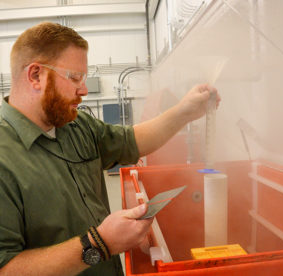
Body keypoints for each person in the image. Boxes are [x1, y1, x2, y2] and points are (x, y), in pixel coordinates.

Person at [0, 22, 220, 276]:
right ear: (35, 75)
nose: (83, 89)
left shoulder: (75, 125)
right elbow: (6, 268)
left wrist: (185, 111)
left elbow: (132, 141)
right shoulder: (5, 156)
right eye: (74, 77)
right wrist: (99, 244)